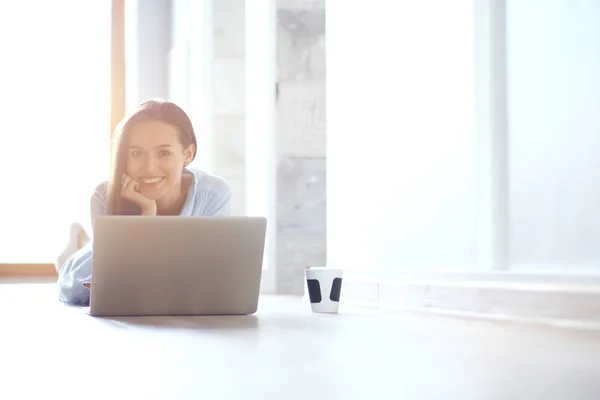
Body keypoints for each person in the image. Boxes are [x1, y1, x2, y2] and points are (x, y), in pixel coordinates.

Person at [57, 99, 232, 306]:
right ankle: (81, 245)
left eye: (164, 153)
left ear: (188, 154)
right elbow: (109, 282)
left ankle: (83, 240)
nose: (149, 168)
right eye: (137, 153)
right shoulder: (104, 195)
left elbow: (206, 275)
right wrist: (147, 215)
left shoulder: (213, 194)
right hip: (89, 267)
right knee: (76, 287)